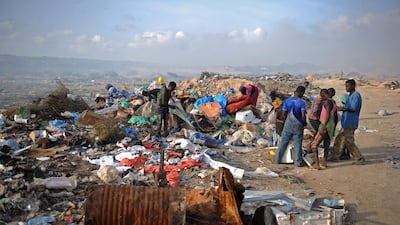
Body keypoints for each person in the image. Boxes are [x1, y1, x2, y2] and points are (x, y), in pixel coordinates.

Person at [330, 79, 365, 164]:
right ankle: (335, 156)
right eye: (346, 86)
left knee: (349, 142)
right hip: (346, 122)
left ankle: (360, 158)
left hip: (350, 122)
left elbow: (353, 109)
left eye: (348, 86)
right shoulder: (350, 96)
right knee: (340, 139)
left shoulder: (356, 96)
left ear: (353, 86)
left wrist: (342, 108)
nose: (346, 88)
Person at [272, 86, 307, 167]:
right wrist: (304, 123)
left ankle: (276, 160)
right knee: (297, 143)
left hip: (288, 123)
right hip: (298, 124)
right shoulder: (302, 102)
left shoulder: (287, 101)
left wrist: (284, 122)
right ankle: (297, 162)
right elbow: (303, 115)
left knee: (283, 142)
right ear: (302, 93)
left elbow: (284, 114)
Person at [309, 88, 337, 169]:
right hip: (331, 124)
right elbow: (335, 115)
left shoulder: (327, 102)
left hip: (325, 123)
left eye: (322, 95)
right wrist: (334, 127)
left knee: (314, 145)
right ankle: (324, 161)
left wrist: (323, 126)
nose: (321, 96)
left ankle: (317, 164)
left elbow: (327, 114)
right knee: (326, 144)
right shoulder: (333, 102)